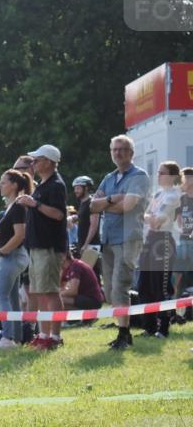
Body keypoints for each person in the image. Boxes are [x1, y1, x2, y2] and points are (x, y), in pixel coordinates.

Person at [89, 134, 151, 350]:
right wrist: (112, 199)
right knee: (109, 291)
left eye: (123, 149)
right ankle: (123, 332)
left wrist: (105, 202)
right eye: (114, 149)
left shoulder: (139, 176)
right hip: (108, 239)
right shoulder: (109, 177)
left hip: (128, 238)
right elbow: (92, 206)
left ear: (131, 153)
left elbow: (128, 206)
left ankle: (124, 334)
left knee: (120, 287)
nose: (118, 153)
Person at [18, 144, 68, 351]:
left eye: (37, 160)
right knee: (38, 292)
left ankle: (55, 337)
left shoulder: (56, 185)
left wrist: (35, 205)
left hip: (49, 246)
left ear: (48, 161)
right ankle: (44, 334)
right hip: (37, 246)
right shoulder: (42, 185)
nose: (33, 163)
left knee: (50, 292)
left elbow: (58, 214)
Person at [137, 162, 183, 337]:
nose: (158, 175)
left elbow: (157, 221)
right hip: (149, 240)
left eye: (162, 173)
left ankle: (163, 328)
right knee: (143, 286)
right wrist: (149, 217)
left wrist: (148, 216)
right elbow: (145, 216)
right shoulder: (157, 194)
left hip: (163, 241)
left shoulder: (173, 196)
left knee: (160, 287)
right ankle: (149, 327)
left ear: (172, 176)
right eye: (158, 172)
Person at [0, 168, 33, 348]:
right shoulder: (11, 206)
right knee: (12, 298)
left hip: (13, 255)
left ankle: (8, 337)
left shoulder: (17, 206)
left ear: (14, 185)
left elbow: (20, 235)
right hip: (15, 255)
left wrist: (3, 250)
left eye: (3, 182)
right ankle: (15, 338)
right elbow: (11, 231)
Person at [72, 175, 101, 280]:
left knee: (90, 275)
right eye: (75, 188)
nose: (76, 191)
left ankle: (97, 296)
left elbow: (94, 225)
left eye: (78, 188)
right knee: (87, 275)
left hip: (91, 245)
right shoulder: (82, 203)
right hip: (83, 244)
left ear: (86, 188)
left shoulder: (92, 203)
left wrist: (86, 244)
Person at [174, 168, 193, 320]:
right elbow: (178, 219)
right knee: (178, 275)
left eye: (187, 179)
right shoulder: (181, 199)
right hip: (183, 241)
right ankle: (174, 311)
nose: (184, 182)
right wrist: (181, 229)